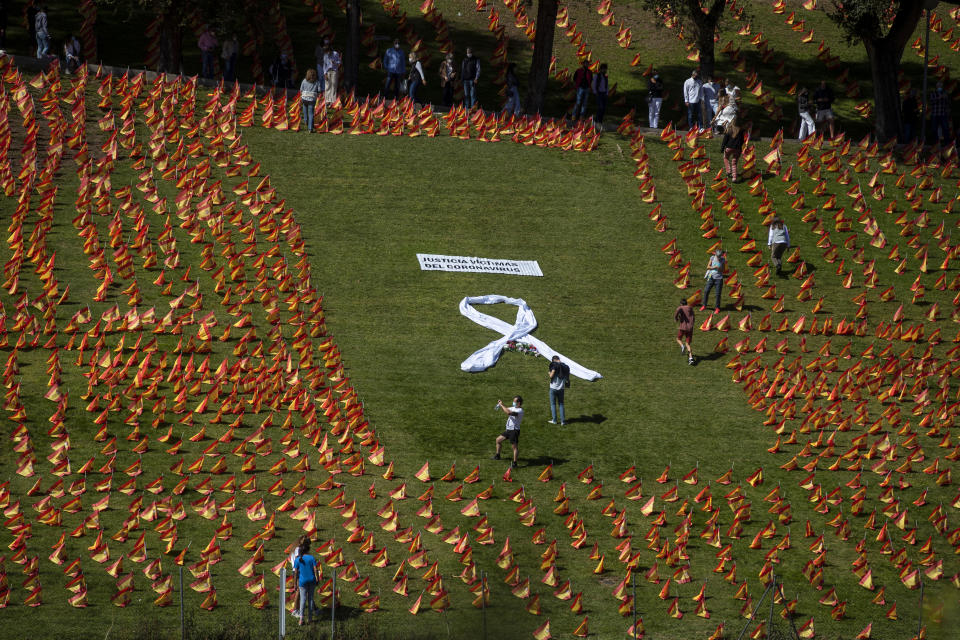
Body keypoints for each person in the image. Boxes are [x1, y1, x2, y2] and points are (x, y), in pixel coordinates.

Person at [292, 539, 319, 626]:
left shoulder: (297, 560)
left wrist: (295, 584)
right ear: (308, 549)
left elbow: (296, 573)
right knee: (310, 599)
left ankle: (301, 619)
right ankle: (310, 619)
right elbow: (316, 569)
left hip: (302, 582)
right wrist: (317, 579)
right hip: (312, 580)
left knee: (303, 600)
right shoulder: (311, 558)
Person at [492, 396, 523, 468]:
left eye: (515, 401)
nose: (513, 402)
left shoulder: (520, 411)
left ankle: (515, 463)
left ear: (519, 403)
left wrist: (502, 405)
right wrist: (500, 404)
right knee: (498, 440)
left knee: (514, 447)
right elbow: (506, 409)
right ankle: (497, 456)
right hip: (509, 430)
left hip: (514, 430)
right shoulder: (513, 408)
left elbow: (509, 413)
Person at [721, 117, 746, 183]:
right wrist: (741, 148)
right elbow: (742, 141)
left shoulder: (729, 130)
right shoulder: (741, 131)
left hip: (729, 147)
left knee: (726, 158)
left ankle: (728, 171)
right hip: (738, 149)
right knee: (734, 163)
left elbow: (725, 140)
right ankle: (734, 178)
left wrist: (722, 148)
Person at [701, 249, 726, 314]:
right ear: (715, 254)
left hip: (719, 279)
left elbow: (723, 270)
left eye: (719, 256)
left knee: (718, 294)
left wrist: (719, 268)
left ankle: (717, 308)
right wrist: (714, 267)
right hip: (711, 277)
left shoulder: (723, 260)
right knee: (706, 291)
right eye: (717, 256)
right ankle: (704, 305)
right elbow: (708, 267)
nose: (718, 257)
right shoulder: (712, 258)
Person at [547, 356, 569, 425]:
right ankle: (563, 421)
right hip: (561, 388)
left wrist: (549, 373)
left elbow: (551, 376)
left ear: (554, 360)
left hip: (553, 388)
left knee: (553, 404)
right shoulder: (564, 366)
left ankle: (554, 420)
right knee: (561, 404)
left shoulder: (554, 365)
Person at [930, 82, 952, 147]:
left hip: (943, 114)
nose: (939, 86)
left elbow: (948, 103)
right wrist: (940, 97)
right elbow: (932, 102)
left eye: (941, 85)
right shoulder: (933, 93)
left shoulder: (945, 93)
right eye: (938, 85)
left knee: (945, 129)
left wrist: (946, 98)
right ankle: (936, 144)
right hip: (935, 114)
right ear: (936, 86)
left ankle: (947, 143)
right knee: (934, 129)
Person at [675, 298, 695, 366]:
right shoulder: (691, 308)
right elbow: (693, 317)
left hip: (683, 327)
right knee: (688, 344)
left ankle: (682, 346)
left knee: (678, 339)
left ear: (681, 304)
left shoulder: (681, 307)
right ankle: (691, 358)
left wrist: (676, 318)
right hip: (690, 328)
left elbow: (677, 310)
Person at [592, 63, 609, 130]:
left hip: (604, 93)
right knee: (600, 107)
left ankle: (599, 121)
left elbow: (607, 85)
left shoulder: (605, 77)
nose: (605, 70)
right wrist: (595, 92)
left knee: (603, 108)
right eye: (604, 69)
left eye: (605, 69)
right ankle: (597, 122)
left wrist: (607, 93)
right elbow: (594, 84)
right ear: (601, 69)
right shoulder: (597, 76)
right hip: (599, 93)